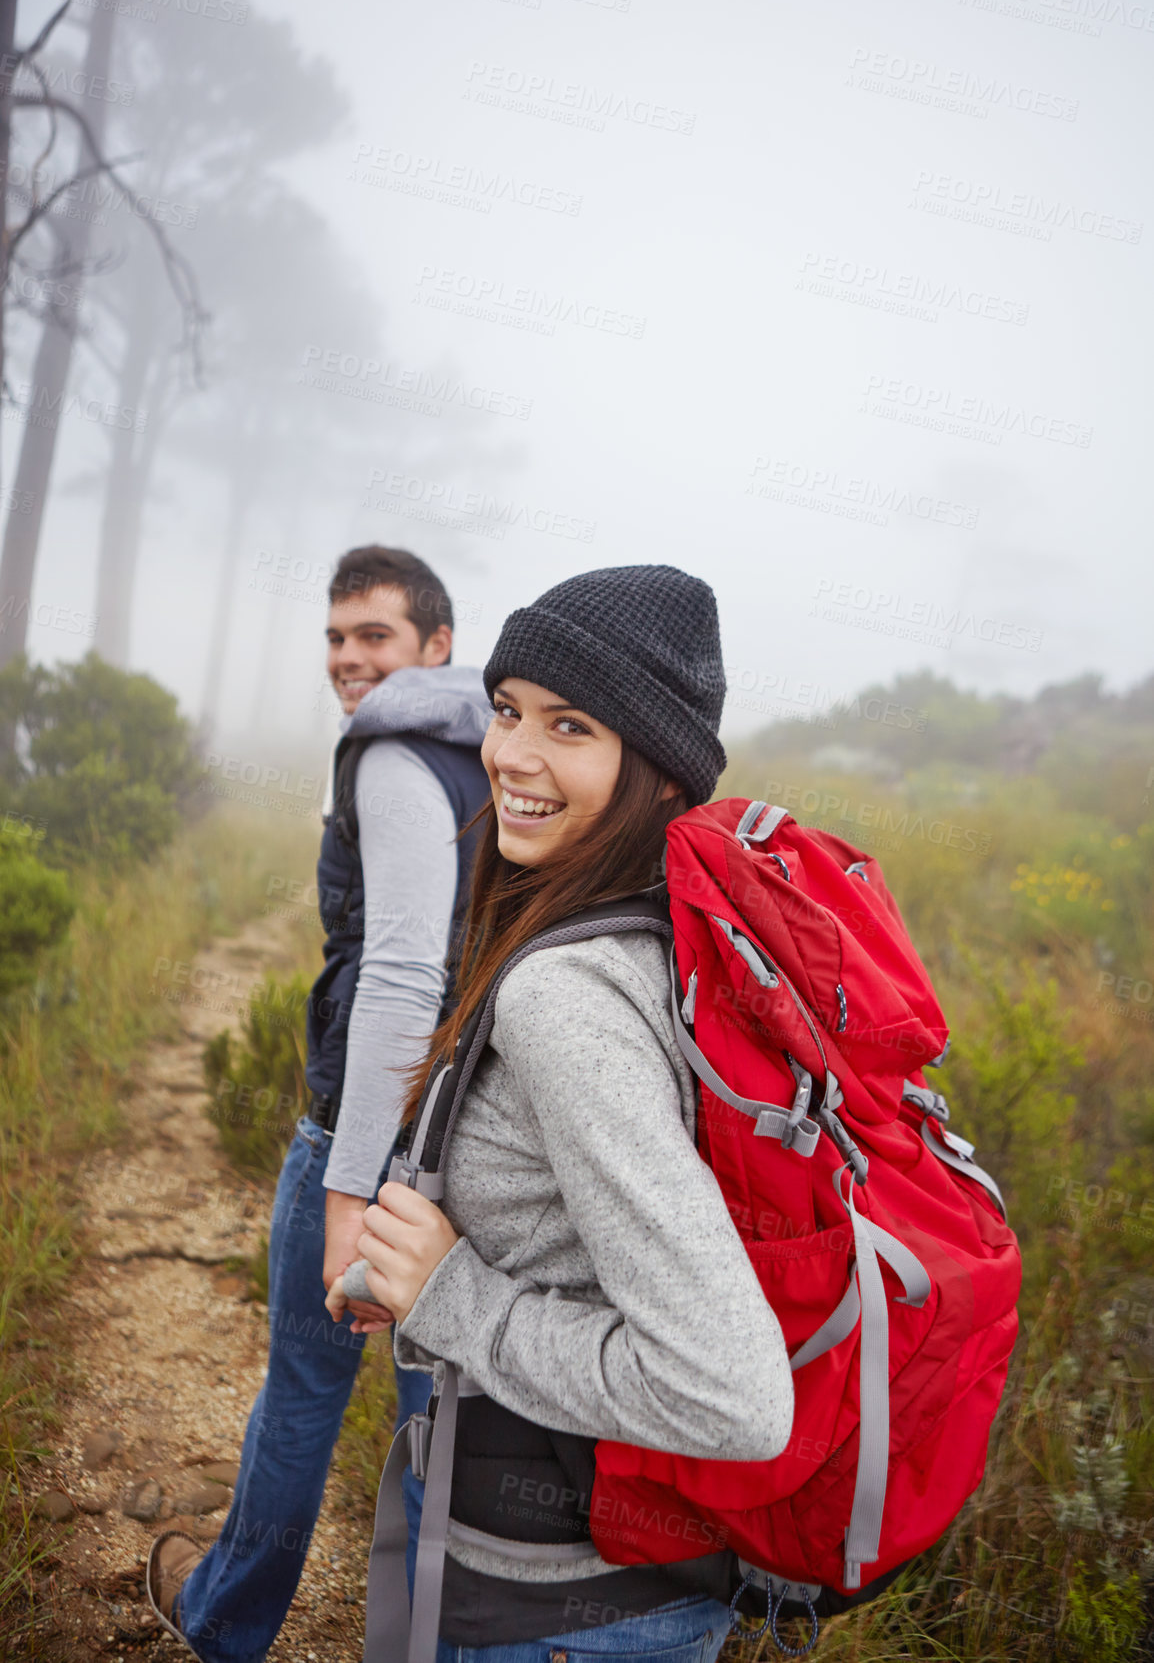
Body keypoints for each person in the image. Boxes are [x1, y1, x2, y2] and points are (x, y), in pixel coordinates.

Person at [328, 565, 795, 1662]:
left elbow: (729, 1394)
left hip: (558, 1615)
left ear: (661, 773)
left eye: (569, 725)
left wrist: (448, 1294)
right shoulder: (653, 938)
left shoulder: (565, 996)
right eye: (505, 709)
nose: (511, 755)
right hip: (628, 1591)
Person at [147, 547, 492, 1661]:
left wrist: (350, 1182)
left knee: (303, 1389)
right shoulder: (494, 751)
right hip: (462, 1138)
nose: (348, 659)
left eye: (374, 636)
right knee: (433, 1419)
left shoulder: (395, 754)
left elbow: (399, 977)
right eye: (336, 638)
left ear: (434, 645)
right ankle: (423, 1639)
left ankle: (221, 1620)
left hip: (370, 1137)